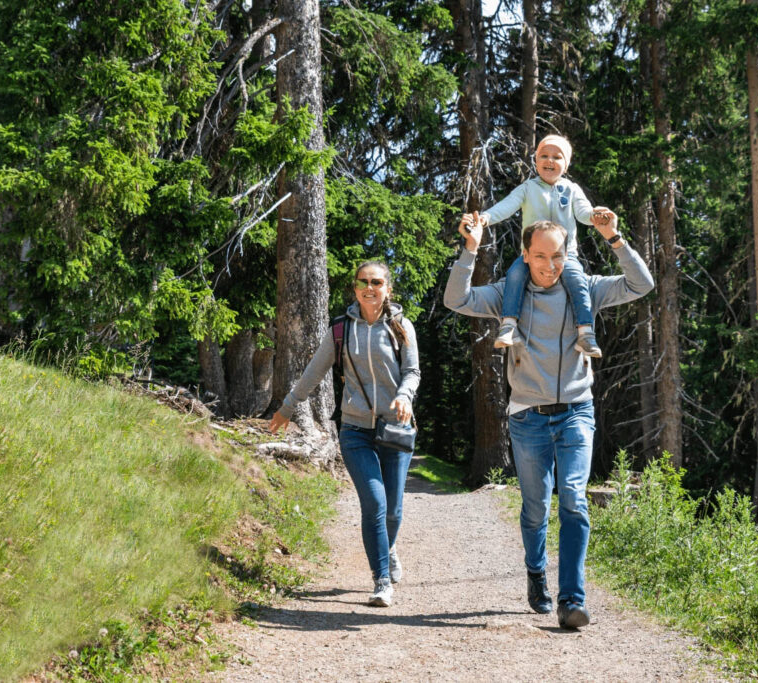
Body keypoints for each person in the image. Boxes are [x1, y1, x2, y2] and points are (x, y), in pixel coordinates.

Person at [444, 210, 654, 629]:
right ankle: (536, 571)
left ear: (567, 255)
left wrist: (614, 239)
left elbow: (641, 284)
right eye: (539, 256)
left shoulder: (586, 290)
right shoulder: (510, 294)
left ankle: (571, 600)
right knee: (536, 508)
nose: (549, 265)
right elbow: (457, 299)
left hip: (576, 410)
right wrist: (470, 250)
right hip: (528, 417)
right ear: (525, 256)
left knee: (574, 499)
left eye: (556, 256)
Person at [269, 260, 419, 608]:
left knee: (393, 511)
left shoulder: (400, 326)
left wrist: (403, 395)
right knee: (375, 504)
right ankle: (382, 580)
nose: (370, 287)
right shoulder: (341, 329)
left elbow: (412, 372)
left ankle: (388, 546)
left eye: (377, 282)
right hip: (354, 430)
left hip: (395, 427)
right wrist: (288, 406)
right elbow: (314, 370)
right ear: (355, 288)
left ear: (387, 289)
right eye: (363, 282)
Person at [461, 133, 612, 358]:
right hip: (532, 255)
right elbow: (506, 206)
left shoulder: (571, 189)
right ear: (535, 160)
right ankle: (509, 325)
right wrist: (485, 218)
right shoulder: (528, 188)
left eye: (557, 157)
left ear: (566, 164)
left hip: (566, 254)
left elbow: (583, 213)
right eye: (544, 155)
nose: (549, 161)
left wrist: (595, 216)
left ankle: (585, 332)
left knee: (577, 279)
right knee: (514, 275)